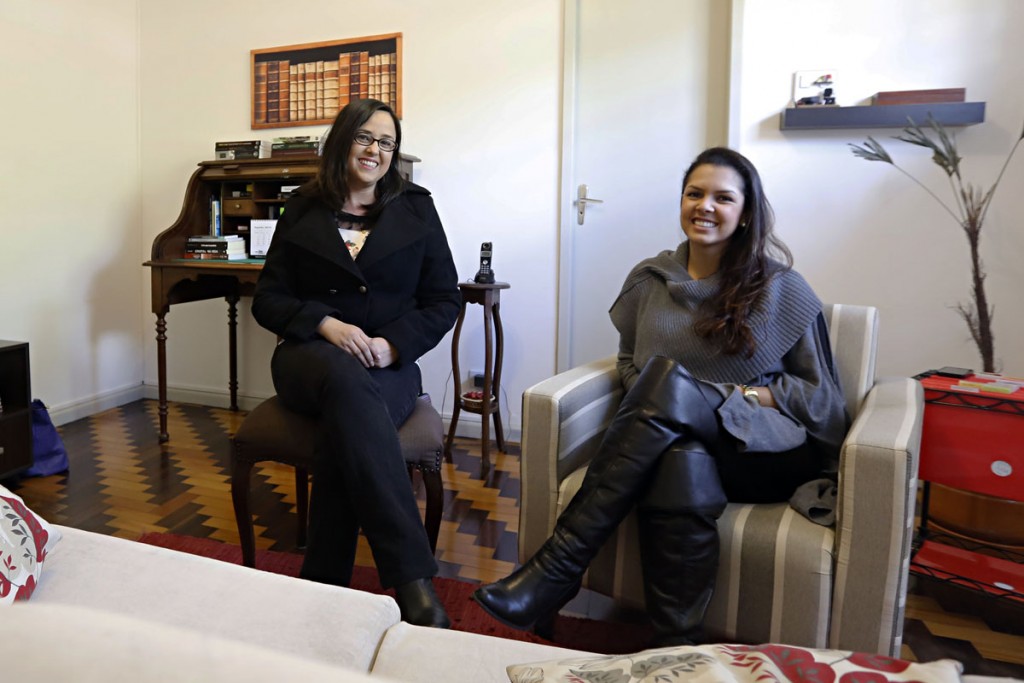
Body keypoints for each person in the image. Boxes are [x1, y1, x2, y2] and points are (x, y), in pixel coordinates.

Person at [474, 147, 849, 646]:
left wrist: (731, 395)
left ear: (746, 213)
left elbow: (821, 400)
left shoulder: (780, 287)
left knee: (668, 385)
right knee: (679, 454)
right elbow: (629, 363)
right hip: (677, 444)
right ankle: (675, 643)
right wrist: (673, 407)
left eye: (723, 197)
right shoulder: (651, 279)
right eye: (695, 193)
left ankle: (555, 570)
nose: (706, 206)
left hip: (763, 453)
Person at [252, 99, 460, 628]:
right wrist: (325, 324)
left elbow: (443, 300)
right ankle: (413, 578)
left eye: (386, 142)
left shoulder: (417, 207)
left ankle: (324, 580)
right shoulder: (301, 206)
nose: (374, 150)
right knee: (344, 380)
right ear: (342, 140)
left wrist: (392, 344)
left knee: (348, 415)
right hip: (307, 360)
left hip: (387, 367)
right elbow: (268, 299)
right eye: (364, 137)